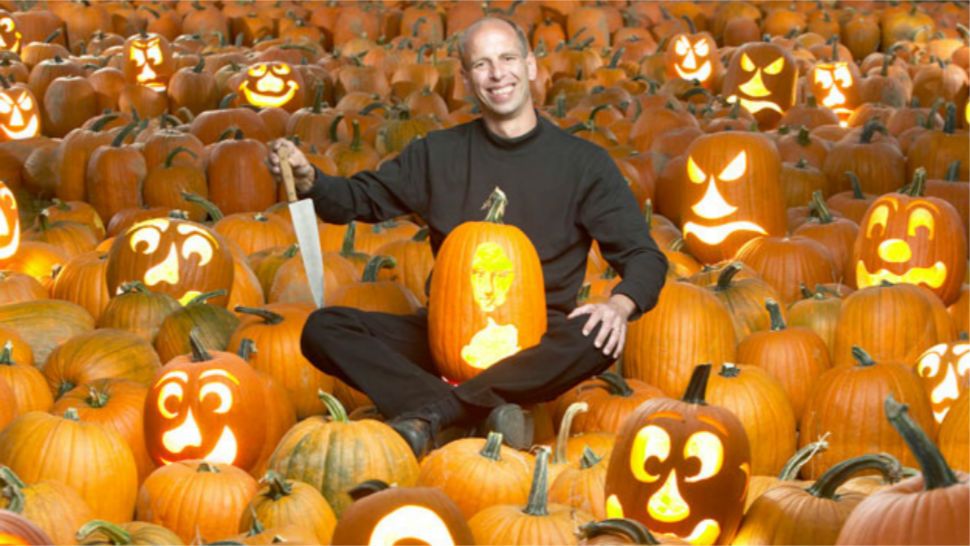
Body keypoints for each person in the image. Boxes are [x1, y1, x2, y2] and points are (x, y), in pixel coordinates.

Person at [268, 17, 667, 457]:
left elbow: (644, 255)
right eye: (482, 64)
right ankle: (465, 411)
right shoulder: (438, 154)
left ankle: (436, 415)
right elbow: (358, 200)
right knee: (324, 328)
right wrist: (310, 180)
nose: (498, 74)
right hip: (447, 332)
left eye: (508, 58)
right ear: (465, 79)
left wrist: (619, 304)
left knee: (597, 337)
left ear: (531, 67)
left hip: (538, 339)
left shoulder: (584, 165)